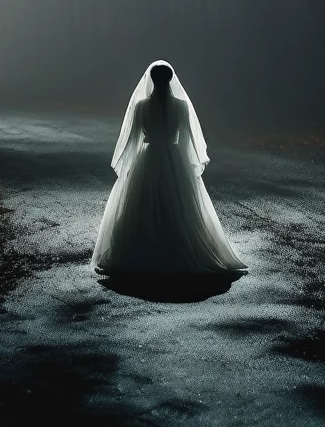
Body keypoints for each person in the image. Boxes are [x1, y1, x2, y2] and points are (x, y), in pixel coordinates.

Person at [91, 60, 246, 276]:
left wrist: (129, 166)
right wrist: (186, 164)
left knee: (143, 203)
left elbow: (133, 141)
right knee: (178, 204)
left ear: (152, 79)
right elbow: (188, 141)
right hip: (174, 158)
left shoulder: (141, 106)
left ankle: (142, 248)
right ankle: (178, 245)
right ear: (171, 79)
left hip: (148, 159)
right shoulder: (181, 107)